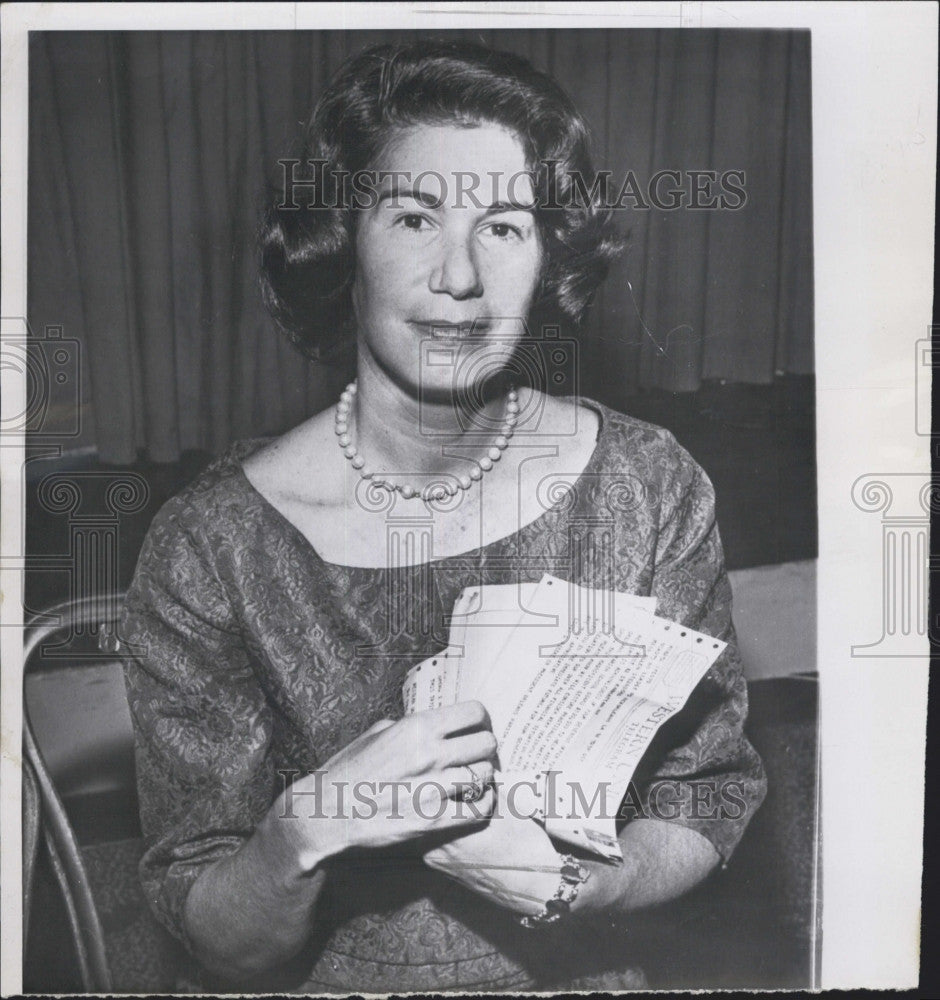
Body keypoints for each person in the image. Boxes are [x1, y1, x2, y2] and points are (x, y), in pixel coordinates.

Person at [121, 39, 767, 993]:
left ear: (549, 256)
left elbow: (706, 796)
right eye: (416, 217)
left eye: (504, 227)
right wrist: (300, 832)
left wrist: (584, 886)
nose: (459, 278)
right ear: (344, 243)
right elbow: (222, 945)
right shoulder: (212, 549)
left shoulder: (647, 484)